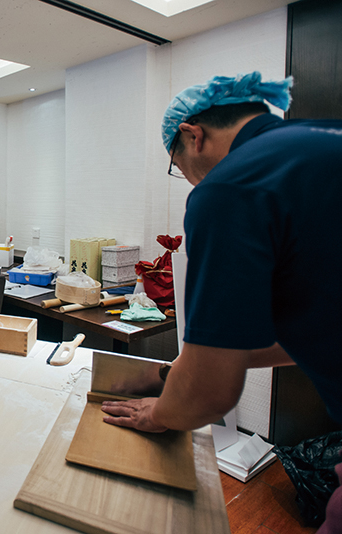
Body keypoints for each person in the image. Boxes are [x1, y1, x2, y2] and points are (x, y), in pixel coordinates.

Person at [99, 72, 342, 533]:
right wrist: (183, 368)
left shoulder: (230, 186)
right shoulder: (318, 142)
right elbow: (315, 333)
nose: (189, 180)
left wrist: (161, 411)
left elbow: (210, 397)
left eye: (178, 166)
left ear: (193, 136)